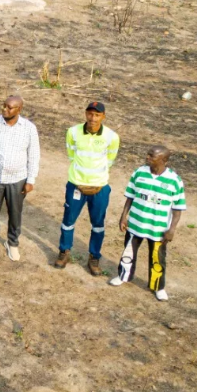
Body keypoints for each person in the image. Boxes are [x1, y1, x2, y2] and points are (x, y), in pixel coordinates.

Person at [110, 146, 185, 301]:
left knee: (157, 258)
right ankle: (123, 276)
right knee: (128, 252)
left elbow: (177, 209)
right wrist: (124, 217)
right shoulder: (139, 173)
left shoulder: (174, 180)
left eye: (152, 156)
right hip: (136, 223)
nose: (147, 157)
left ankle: (158, 286)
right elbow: (130, 197)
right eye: (148, 154)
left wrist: (172, 229)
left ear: (163, 160)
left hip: (158, 228)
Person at [56, 101, 121, 275]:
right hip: (76, 185)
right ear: (85, 114)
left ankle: (94, 257)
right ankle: (64, 252)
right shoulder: (73, 132)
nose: (93, 118)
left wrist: (96, 179)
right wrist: (80, 179)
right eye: (90, 114)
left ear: (103, 116)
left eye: (97, 115)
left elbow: (110, 160)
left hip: (99, 188)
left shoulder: (111, 136)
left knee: (98, 224)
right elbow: (71, 154)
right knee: (68, 221)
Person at [0, 95, 40, 261]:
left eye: (10, 107)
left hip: (18, 179)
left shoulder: (29, 128)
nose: (5, 109)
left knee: (15, 213)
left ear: (19, 110)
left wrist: (31, 179)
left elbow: (33, 155)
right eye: (3, 106)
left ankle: (12, 243)